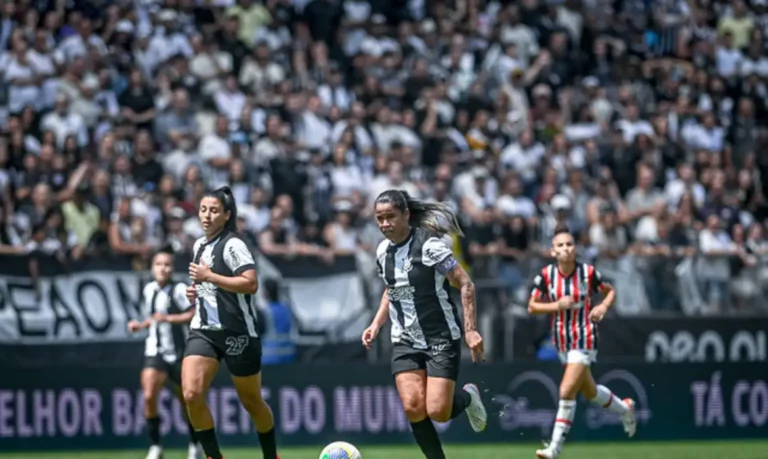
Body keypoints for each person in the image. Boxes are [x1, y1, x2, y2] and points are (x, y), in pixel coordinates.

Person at [361, 189, 487, 459]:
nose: (384, 224)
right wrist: (376, 324)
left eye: (390, 217)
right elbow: (391, 289)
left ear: (406, 214)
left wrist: (471, 330)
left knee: (438, 411)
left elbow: (465, 283)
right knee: (412, 405)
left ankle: (467, 398)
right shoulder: (383, 251)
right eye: (379, 218)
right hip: (404, 339)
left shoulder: (431, 246)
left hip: (440, 336)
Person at [182, 186, 280, 459]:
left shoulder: (234, 244)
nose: (207, 216)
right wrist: (196, 291)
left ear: (226, 215)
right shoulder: (198, 245)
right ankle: (214, 456)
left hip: (238, 332)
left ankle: (271, 456)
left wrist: (209, 277)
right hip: (203, 330)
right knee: (191, 394)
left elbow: (250, 283)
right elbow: (205, 283)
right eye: (203, 210)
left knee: (251, 401)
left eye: (214, 211)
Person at [528, 223, 637, 459]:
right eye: (561, 245)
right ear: (553, 251)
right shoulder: (546, 276)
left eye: (569, 244)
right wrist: (556, 305)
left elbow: (610, 292)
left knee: (566, 389)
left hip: (584, 337)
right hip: (561, 342)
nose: (566, 248)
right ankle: (625, 408)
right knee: (589, 391)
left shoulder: (587, 273)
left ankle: (554, 448)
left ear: (575, 248)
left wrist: (602, 306)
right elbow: (532, 306)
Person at [127, 249, 202, 459]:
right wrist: (140, 325)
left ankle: (195, 444)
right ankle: (155, 446)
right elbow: (154, 317)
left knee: (187, 402)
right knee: (149, 395)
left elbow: (195, 312)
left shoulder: (179, 289)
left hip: (179, 354)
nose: (163, 268)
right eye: (159, 264)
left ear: (172, 268)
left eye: (167, 264)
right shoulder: (148, 289)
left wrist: (169, 319)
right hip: (155, 350)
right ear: (152, 268)